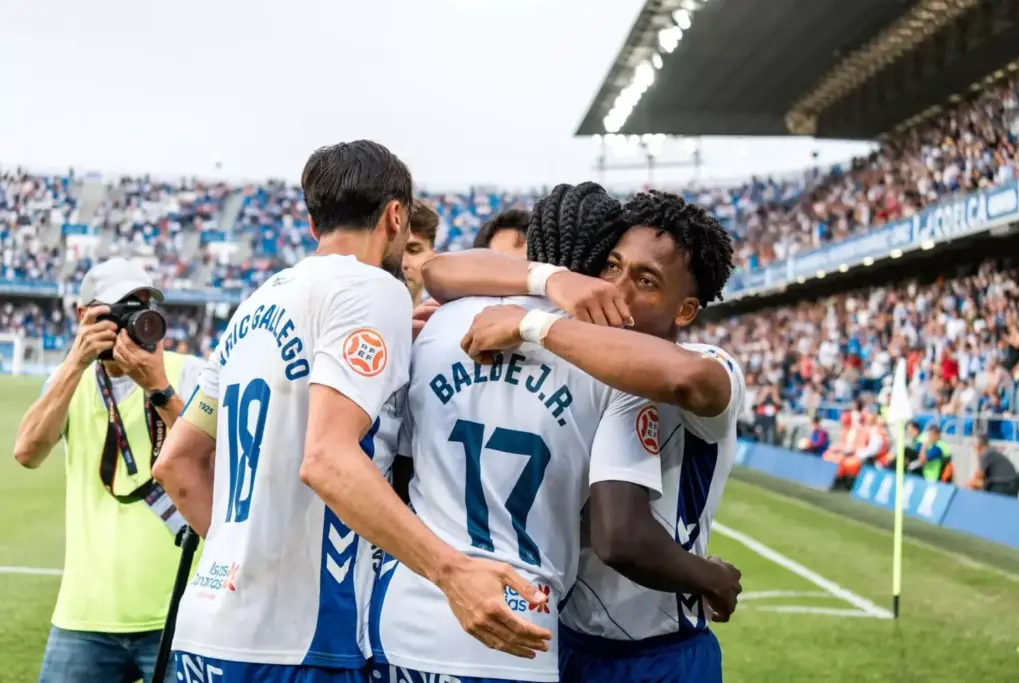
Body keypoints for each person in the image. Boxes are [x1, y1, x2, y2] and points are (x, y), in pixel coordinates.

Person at [151, 140, 550, 683]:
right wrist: (451, 571)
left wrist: (247, 565)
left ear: (314, 224)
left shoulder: (256, 303)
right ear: (395, 216)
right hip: (304, 643)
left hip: (207, 632)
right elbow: (327, 459)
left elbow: (176, 463)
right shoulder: (372, 288)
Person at [369, 183, 742, 683]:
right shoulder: (586, 362)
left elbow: (685, 379)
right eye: (611, 267)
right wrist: (545, 295)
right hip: (556, 636)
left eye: (645, 280)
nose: (618, 290)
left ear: (686, 310)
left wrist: (532, 324)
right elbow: (439, 269)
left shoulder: (698, 364)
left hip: (657, 649)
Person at [13, 257, 204, 683]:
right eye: (119, 310)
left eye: (142, 308)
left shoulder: (188, 372)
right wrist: (76, 362)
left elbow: (211, 460)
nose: (131, 322)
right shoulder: (68, 380)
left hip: (178, 610)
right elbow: (27, 452)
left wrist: (158, 388)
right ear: (84, 315)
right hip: (85, 614)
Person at [402, 199, 439, 303]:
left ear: (432, 258)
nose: (403, 263)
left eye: (413, 250)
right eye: (390, 253)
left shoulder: (449, 312)